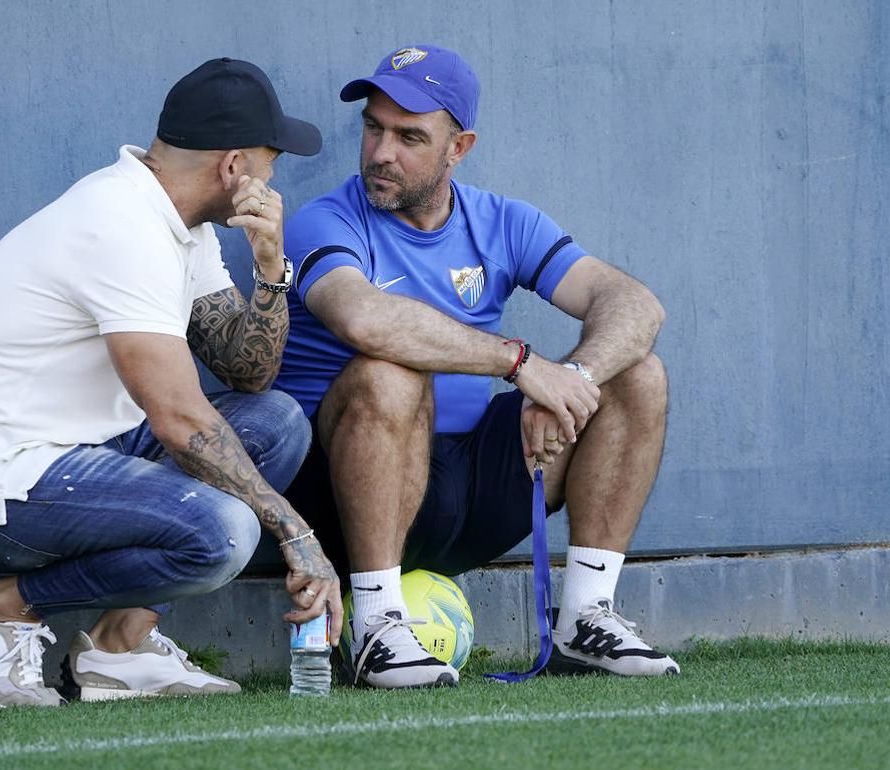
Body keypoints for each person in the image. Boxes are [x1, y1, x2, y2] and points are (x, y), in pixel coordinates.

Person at [0, 57, 342, 708]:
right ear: (233, 167)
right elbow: (180, 420)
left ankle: (120, 648)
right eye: (270, 160)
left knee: (276, 424)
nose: (273, 176)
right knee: (225, 533)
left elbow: (246, 371)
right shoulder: (119, 224)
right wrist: (297, 532)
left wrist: (270, 268)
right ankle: (0, 606)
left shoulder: (181, 223)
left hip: (82, 456)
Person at [275, 44, 678, 689]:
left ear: (458, 148)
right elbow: (364, 320)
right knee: (388, 370)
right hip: (351, 493)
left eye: (409, 137)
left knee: (636, 374)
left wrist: (573, 379)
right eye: (373, 128)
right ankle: (376, 627)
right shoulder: (325, 220)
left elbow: (633, 304)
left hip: (475, 486)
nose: (381, 152)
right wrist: (520, 364)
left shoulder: (502, 222)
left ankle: (585, 618)